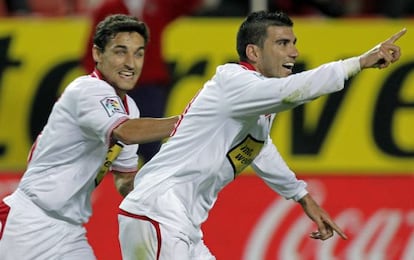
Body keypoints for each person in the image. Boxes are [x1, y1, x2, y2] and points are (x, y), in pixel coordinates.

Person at [117, 10, 406, 260]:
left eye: (293, 43)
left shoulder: (253, 102)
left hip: (181, 224)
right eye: (282, 43)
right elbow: (290, 93)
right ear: (254, 52)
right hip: (157, 213)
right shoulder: (235, 82)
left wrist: (303, 197)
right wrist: (357, 63)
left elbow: (260, 148)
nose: (293, 52)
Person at [0, 14, 178, 259]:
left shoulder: (130, 108)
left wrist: (165, 196)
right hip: (28, 225)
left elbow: (124, 180)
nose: (131, 63)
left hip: (69, 232)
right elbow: (126, 132)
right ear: (97, 54)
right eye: (120, 52)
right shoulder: (87, 89)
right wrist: (192, 120)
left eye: (138, 53)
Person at [82, 0, 212, 164]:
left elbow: (190, 4)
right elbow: (91, 49)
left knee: (151, 144)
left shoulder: (159, 4)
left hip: (150, 84)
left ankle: (152, 186)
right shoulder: (108, 8)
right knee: (109, 143)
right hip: (116, 87)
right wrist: (99, 84)